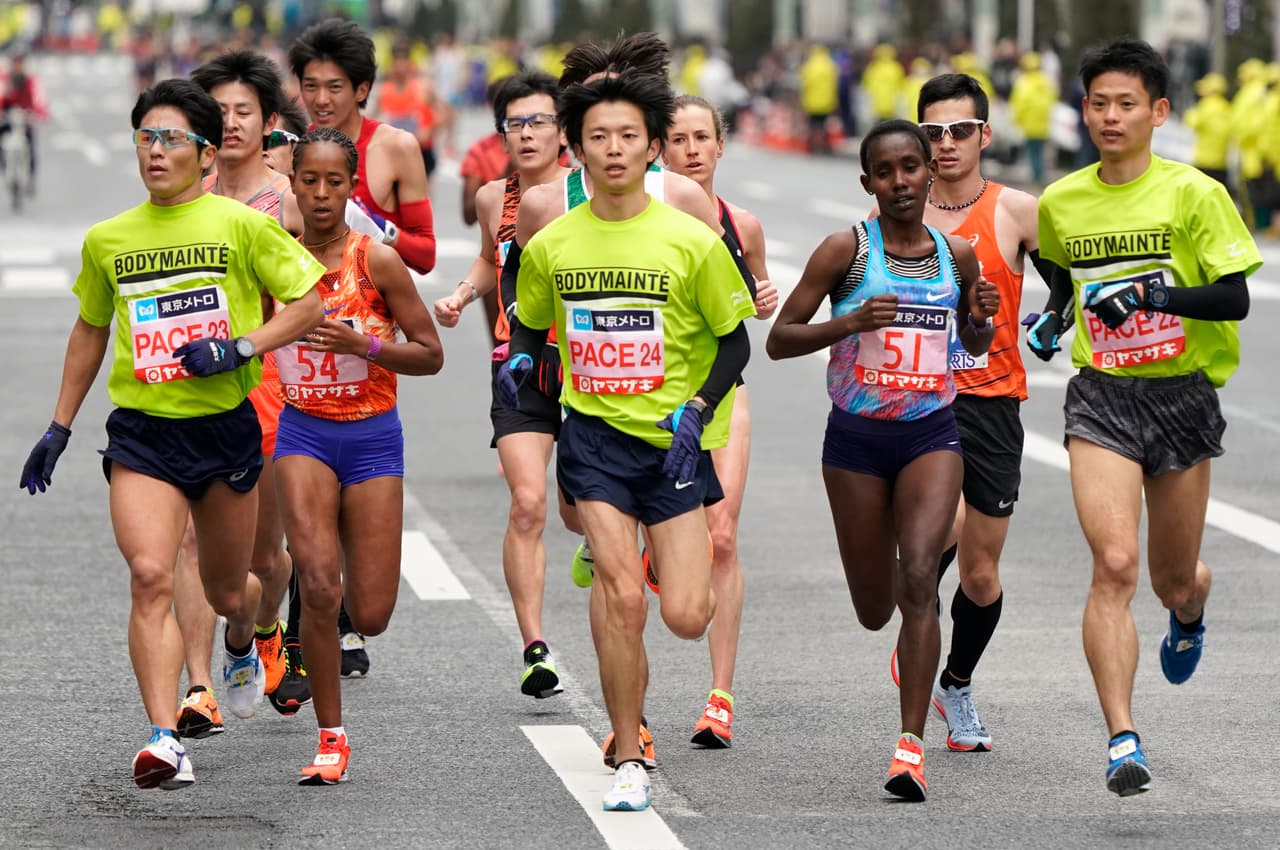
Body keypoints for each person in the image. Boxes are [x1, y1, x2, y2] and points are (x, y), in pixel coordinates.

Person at [18, 78, 324, 789]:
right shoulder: (109, 240)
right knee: (152, 574)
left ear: (206, 152)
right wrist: (60, 426)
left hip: (224, 429)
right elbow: (91, 327)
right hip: (143, 434)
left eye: (171, 140)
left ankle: (245, 643)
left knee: (226, 592)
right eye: (145, 139)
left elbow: (308, 303)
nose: (155, 152)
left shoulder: (241, 226)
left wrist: (241, 348)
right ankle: (163, 736)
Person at [502, 72, 754, 811]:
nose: (614, 149)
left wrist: (698, 409)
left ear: (652, 148)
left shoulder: (690, 239)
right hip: (594, 439)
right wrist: (524, 358)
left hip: (671, 444)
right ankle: (627, 752)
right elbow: (528, 313)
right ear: (576, 149)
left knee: (684, 614)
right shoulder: (553, 242)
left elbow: (734, 346)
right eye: (598, 137)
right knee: (621, 599)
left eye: (629, 136)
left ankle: (649, 556)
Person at [1027, 38, 1258, 797]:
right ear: (1083, 111)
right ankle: (1122, 738)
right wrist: (1054, 317)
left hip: (1183, 394)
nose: (1111, 116)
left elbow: (1234, 299)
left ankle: (1191, 608)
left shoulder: (1194, 193)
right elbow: (1067, 276)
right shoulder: (1061, 201)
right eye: (1098, 103)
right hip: (1103, 394)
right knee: (1115, 564)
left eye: (1127, 103)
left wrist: (1152, 298)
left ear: (1159, 112)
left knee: (1169, 579)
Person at [766, 120, 998, 802]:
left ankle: (908, 749)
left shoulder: (957, 256)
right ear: (867, 182)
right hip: (856, 444)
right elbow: (780, 340)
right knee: (876, 608)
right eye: (885, 172)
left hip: (931, 434)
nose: (900, 181)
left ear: (931, 173)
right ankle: (896, 593)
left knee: (923, 577)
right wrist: (850, 323)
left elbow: (968, 351)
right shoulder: (846, 249)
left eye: (911, 168)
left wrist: (979, 319)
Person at [878, 72, 1049, 753]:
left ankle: (955, 680)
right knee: (925, 543)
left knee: (980, 572)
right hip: (921, 404)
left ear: (985, 134)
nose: (945, 144)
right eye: (932, 133)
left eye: (959, 131)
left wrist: (1050, 322)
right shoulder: (898, 212)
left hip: (993, 404)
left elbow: (1067, 290)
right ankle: (919, 629)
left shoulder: (1017, 212)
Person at [276, 127, 444, 785]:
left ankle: (343, 540)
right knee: (318, 584)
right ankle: (330, 735)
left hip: (373, 438)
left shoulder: (377, 262)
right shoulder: (275, 259)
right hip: (303, 433)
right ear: (291, 183)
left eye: (334, 183)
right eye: (308, 181)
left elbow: (430, 354)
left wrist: (364, 347)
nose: (320, 195)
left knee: (368, 612)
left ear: (353, 189)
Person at [432, 71, 573, 700]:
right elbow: (494, 259)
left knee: (580, 513)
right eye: (514, 123)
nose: (526, 133)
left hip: (590, 368)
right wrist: (464, 293)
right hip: (517, 364)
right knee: (527, 504)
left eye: (539, 121)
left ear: (564, 130)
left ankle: (598, 543)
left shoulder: (588, 194)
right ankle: (534, 648)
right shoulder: (495, 198)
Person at [660, 93, 778, 748]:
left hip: (723, 393)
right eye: (678, 139)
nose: (692, 149)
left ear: (721, 145)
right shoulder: (644, 219)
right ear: (661, 150)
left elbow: (756, 309)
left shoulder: (744, 224)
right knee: (673, 540)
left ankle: (720, 697)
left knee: (724, 535)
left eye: (703, 137)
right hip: (648, 403)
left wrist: (763, 297)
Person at [289, 18, 437, 276]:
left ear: (361, 90)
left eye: (334, 87)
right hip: (307, 309)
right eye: (311, 86)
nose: (321, 100)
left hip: (376, 308)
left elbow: (425, 257)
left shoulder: (397, 147)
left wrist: (376, 226)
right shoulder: (291, 148)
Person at [458, 78, 514, 346]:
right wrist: (508, 175)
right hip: (498, 255)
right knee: (502, 346)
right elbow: (468, 214)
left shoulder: (548, 149)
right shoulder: (481, 151)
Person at [1008, 52, 1057, 184]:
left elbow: (1019, 103)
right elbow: (1053, 98)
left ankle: (1036, 177)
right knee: (1039, 150)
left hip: (1029, 123)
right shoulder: (1046, 81)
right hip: (1043, 123)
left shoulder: (1024, 82)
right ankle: (1039, 174)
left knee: (1032, 151)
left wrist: (1016, 118)